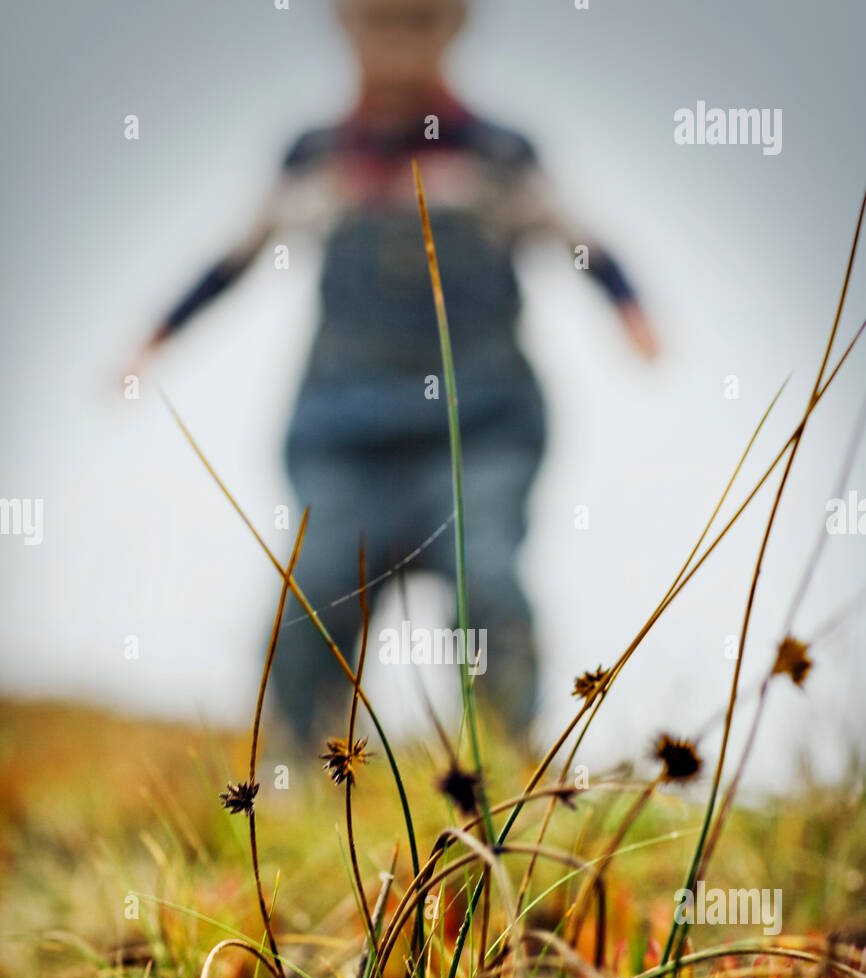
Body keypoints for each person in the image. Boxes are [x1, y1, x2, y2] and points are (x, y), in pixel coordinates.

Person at [129, 0, 658, 746]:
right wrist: (154, 339)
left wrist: (632, 315)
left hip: (481, 425)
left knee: (489, 581)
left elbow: (584, 244)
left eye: (420, 20)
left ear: (455, 28)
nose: (400, 42)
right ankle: (298, 769)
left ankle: (504, 765)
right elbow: (232, 260)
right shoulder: (314, 158)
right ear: (346, 26)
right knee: (315, 591)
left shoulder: (501, 156)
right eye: (381, 20)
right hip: (343, 428)